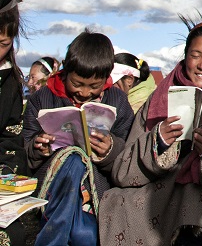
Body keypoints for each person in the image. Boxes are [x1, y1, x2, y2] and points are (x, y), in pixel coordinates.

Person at [98, 19, 202, 245]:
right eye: (195, 55)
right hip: (159, 192)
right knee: (122, 203)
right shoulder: (159, 96)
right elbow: (124, 168)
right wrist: (158, 142)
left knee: (191, 200)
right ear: (185, 56)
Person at [23, 29, 134, 245]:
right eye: (76, 84)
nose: (84, 93)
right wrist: (38, 148)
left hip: (93, 194)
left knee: (86, 235)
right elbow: (26, 148)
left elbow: (127, 154)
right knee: (73, 159)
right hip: (51, 190)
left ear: (107, 75)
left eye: (94, 86)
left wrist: (110, 150)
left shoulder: (118, 101)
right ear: (65, 70)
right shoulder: (42, 98)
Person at [0, 0, 27, 245]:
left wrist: (5, 173)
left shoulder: (9, 84)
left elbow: (10, 141)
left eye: (2, 44)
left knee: (10, 236)